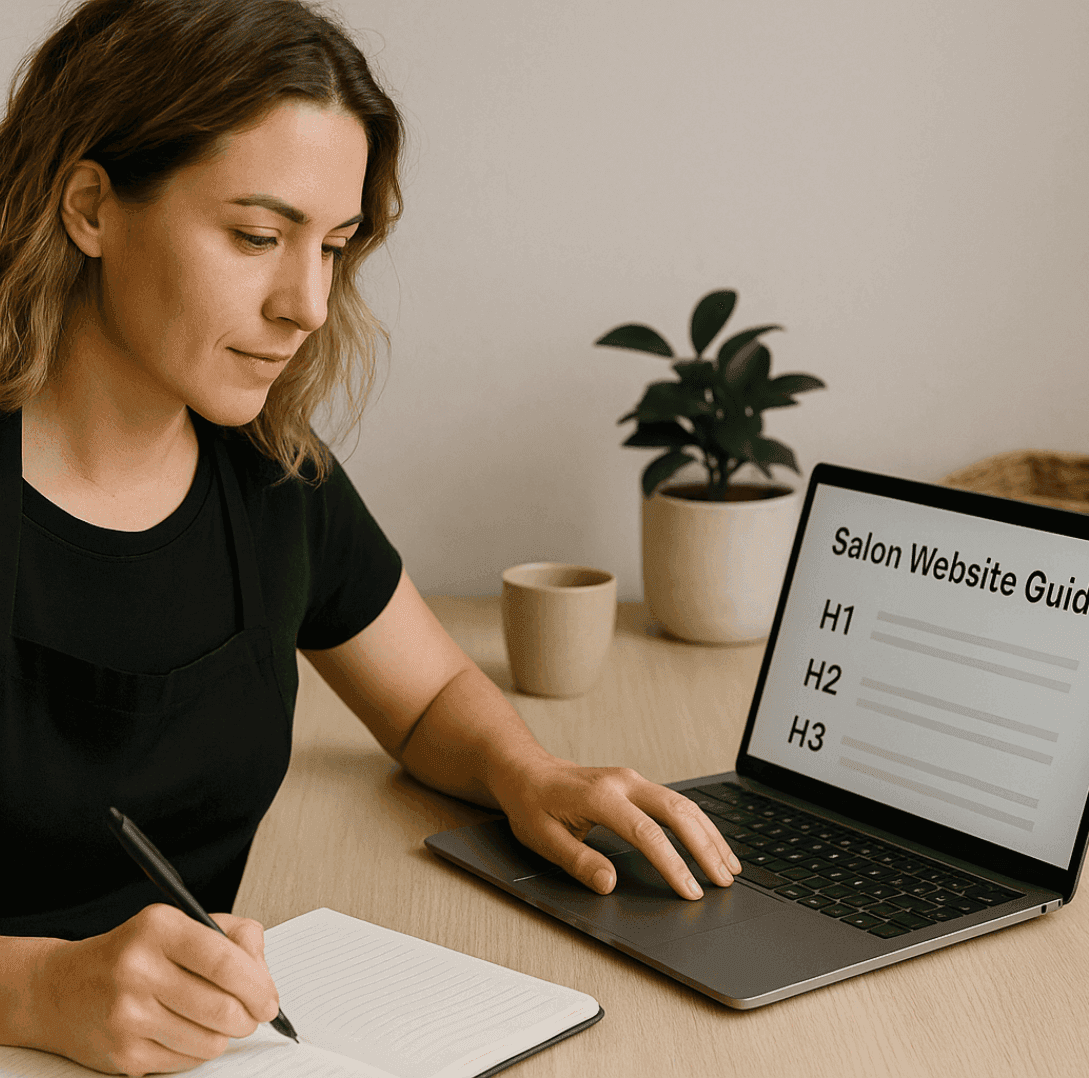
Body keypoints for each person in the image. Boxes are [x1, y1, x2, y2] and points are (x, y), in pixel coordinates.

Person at [0, 1, 740, 1072]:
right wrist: (30, 990)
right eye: (257, 236)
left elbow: (429, 698)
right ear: (90, 207)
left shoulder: (269, 475)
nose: (305, 302)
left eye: (333, 245)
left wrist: (526, 772)